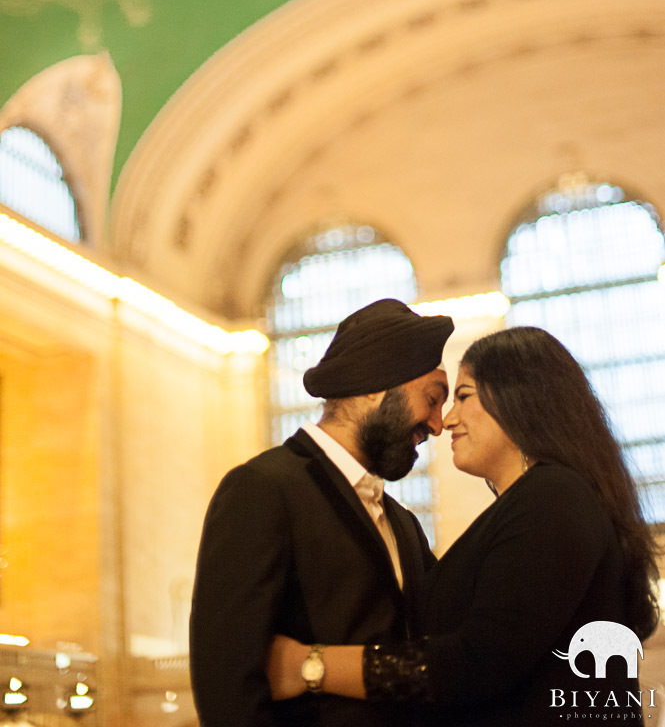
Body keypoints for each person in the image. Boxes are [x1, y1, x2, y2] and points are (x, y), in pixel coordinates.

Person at [267, 325, 661, 726]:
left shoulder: (554, 495)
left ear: (519, 397)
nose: (446, 421)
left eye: (463, 396)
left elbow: (480, 660)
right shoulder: (537, 500)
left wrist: (309, 666)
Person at [189, 298, 454, 727]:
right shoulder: (263, 489)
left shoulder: (402, 523)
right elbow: (227, 686)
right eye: (432, 398)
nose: (438, 424)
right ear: (374, 384)